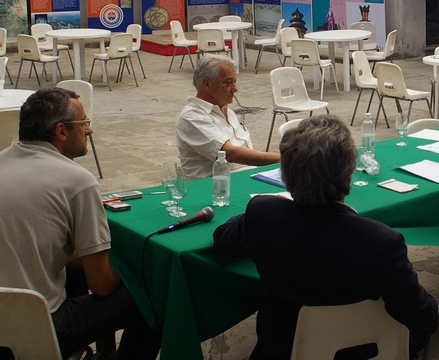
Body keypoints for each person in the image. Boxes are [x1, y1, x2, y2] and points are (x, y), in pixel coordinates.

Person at [213, 115, 438, 359]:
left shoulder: (263, 214)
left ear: (285, 177)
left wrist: (269, 207)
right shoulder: (382, 241)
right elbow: (423, 318)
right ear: (349, 175)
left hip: (284, 351)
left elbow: (223, 239)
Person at [0, 88, 160, 360]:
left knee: (75, 270)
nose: (89, 131)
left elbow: (34, 246)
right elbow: (102, 285)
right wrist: (132, 264)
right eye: (84, 124)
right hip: (36, 326)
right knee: (152, 296)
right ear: (61, 131)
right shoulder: (77, 180)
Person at [176, 55, 279, 179]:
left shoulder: (226, 110)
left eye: (234, 82)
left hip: (244, 177)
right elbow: (229, 154)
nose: (235, 89)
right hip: (215, 187)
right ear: (206, 84)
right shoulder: (192, 117)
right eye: (228, 83)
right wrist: (284, 159)